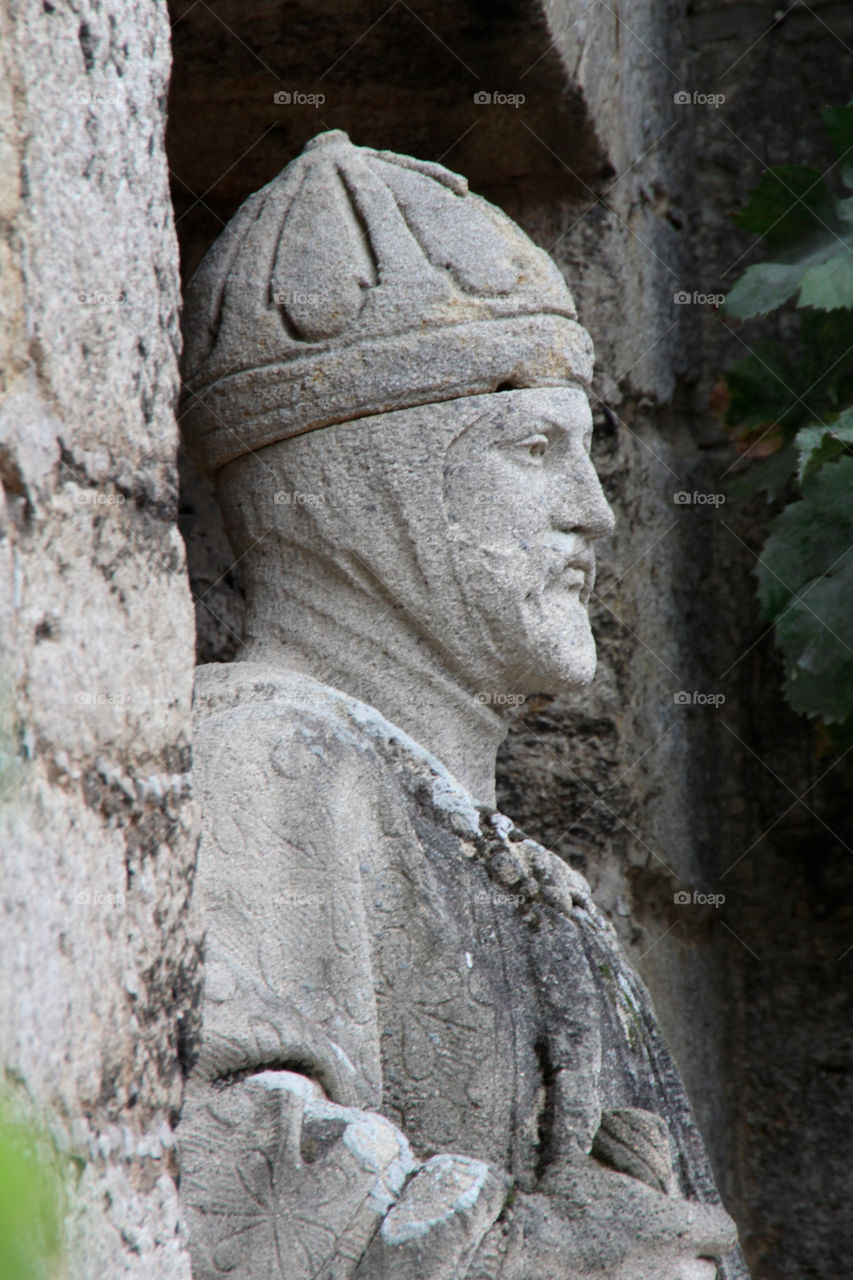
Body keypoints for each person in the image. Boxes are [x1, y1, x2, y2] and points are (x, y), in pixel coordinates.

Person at [177, 130, 745, 1280]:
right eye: (532, 445)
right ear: (364, 485)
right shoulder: (264, 746)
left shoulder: (512, 859)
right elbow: (219, 1167)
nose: (592, 511)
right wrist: (557, 1249)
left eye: (584, 450)